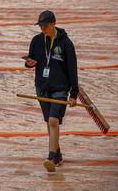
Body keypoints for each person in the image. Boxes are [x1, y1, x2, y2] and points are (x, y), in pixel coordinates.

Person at [24, 10, 78, 172]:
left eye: (45, 26)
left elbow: (72, 70)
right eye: (40, 26)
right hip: (42, 88)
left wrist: (74, 94)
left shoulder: (66, 44)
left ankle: (50, 157)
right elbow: (30, 59)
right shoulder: (36, 40)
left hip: (60, 89)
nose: (42, 29)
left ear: (54, 23)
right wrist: (29, 63)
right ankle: (58, 154)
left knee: (53, 121)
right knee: (49, 122)